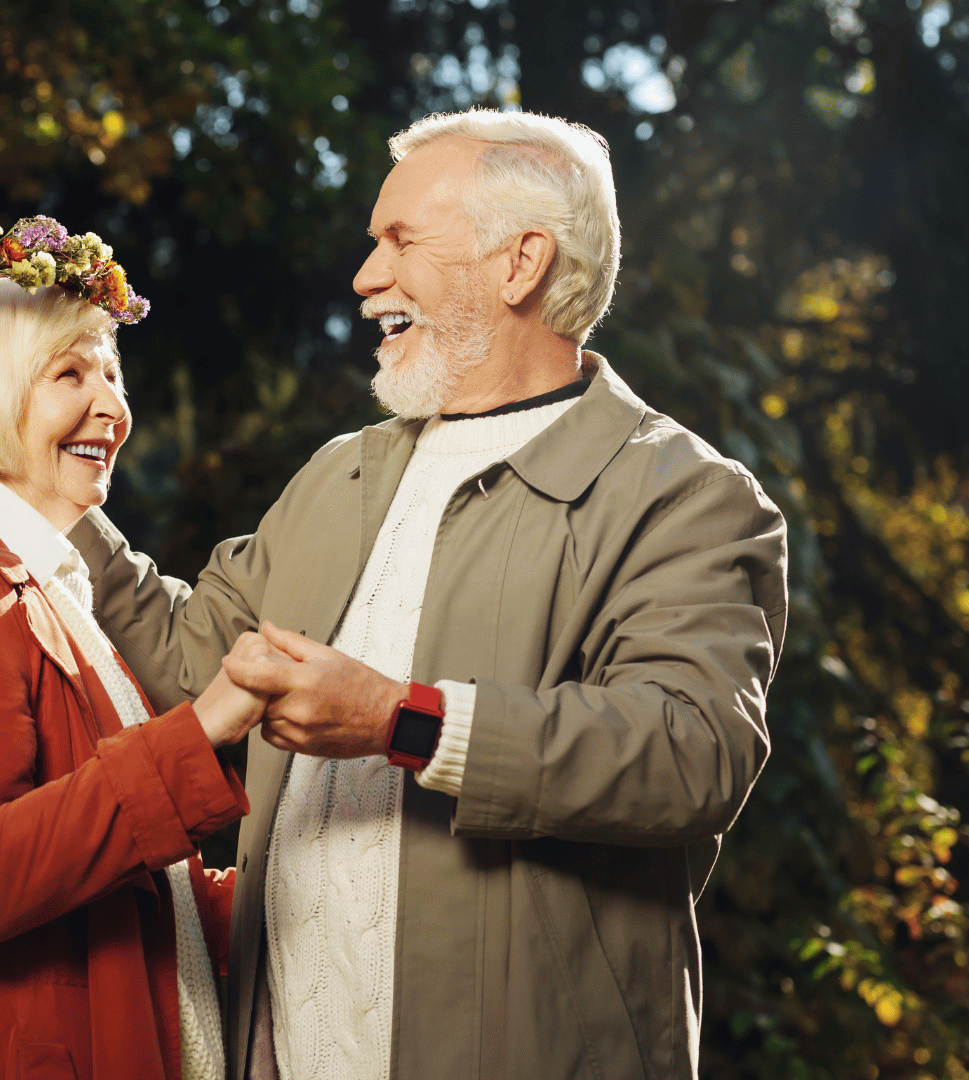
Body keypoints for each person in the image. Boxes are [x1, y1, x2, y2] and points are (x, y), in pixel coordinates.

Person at [70, 109, 790, 1078]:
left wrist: (400, 721)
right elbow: (186, 663)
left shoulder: (680, 494)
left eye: (399, 240)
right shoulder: (338, 475)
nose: (366, 276)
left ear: (519, 262)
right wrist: (41, 489)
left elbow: (688, 753)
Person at [0, 224, 264, 1080]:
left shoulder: (47, 588)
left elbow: (124, 875)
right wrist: (201, 730)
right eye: (72, 374)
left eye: (112, 373)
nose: (113, 406)